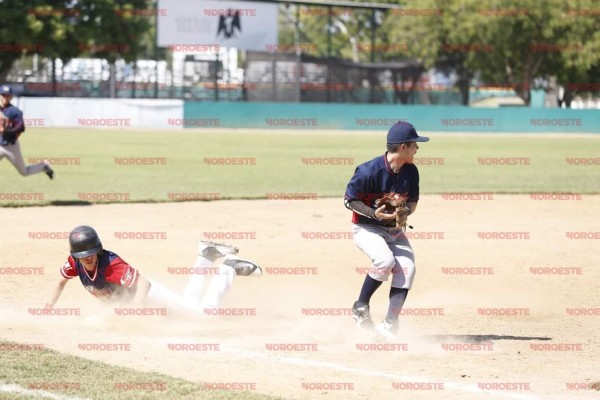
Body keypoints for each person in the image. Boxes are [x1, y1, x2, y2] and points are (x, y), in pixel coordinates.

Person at [45, 225, 262, 316]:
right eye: (83, 256)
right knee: (190, 304)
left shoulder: (111, 265)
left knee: (206, 316)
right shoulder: (74, 264)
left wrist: (136, 310)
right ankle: (206, 256)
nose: (88, 259)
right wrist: (48, 307)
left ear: (99, 249)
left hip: (151, 296)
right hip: (146, 305)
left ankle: (228, 269)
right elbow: (59, 282)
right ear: (76, 257)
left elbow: (144, 284)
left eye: (91, 253)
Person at [344, 121, 429, 339]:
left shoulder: (411, 172)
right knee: (384, 260)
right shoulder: (367, 171)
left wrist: (405, 213)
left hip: (395, 231)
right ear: (403, 147)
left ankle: (391, 324)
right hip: (366, 228)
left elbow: (413, 203)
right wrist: (374, 214)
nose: (417, 149)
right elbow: (349, 200)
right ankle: (360, 307)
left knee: (408, 268)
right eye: (414, 145)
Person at [0, 84, 54, 179]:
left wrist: (5, 130)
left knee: (24, 172)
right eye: (3, 95)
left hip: (11, 147)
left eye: (8, 95)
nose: (5, 97)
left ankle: (43, 166)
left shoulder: (15, 112)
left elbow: (21, 128)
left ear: (11, 97)